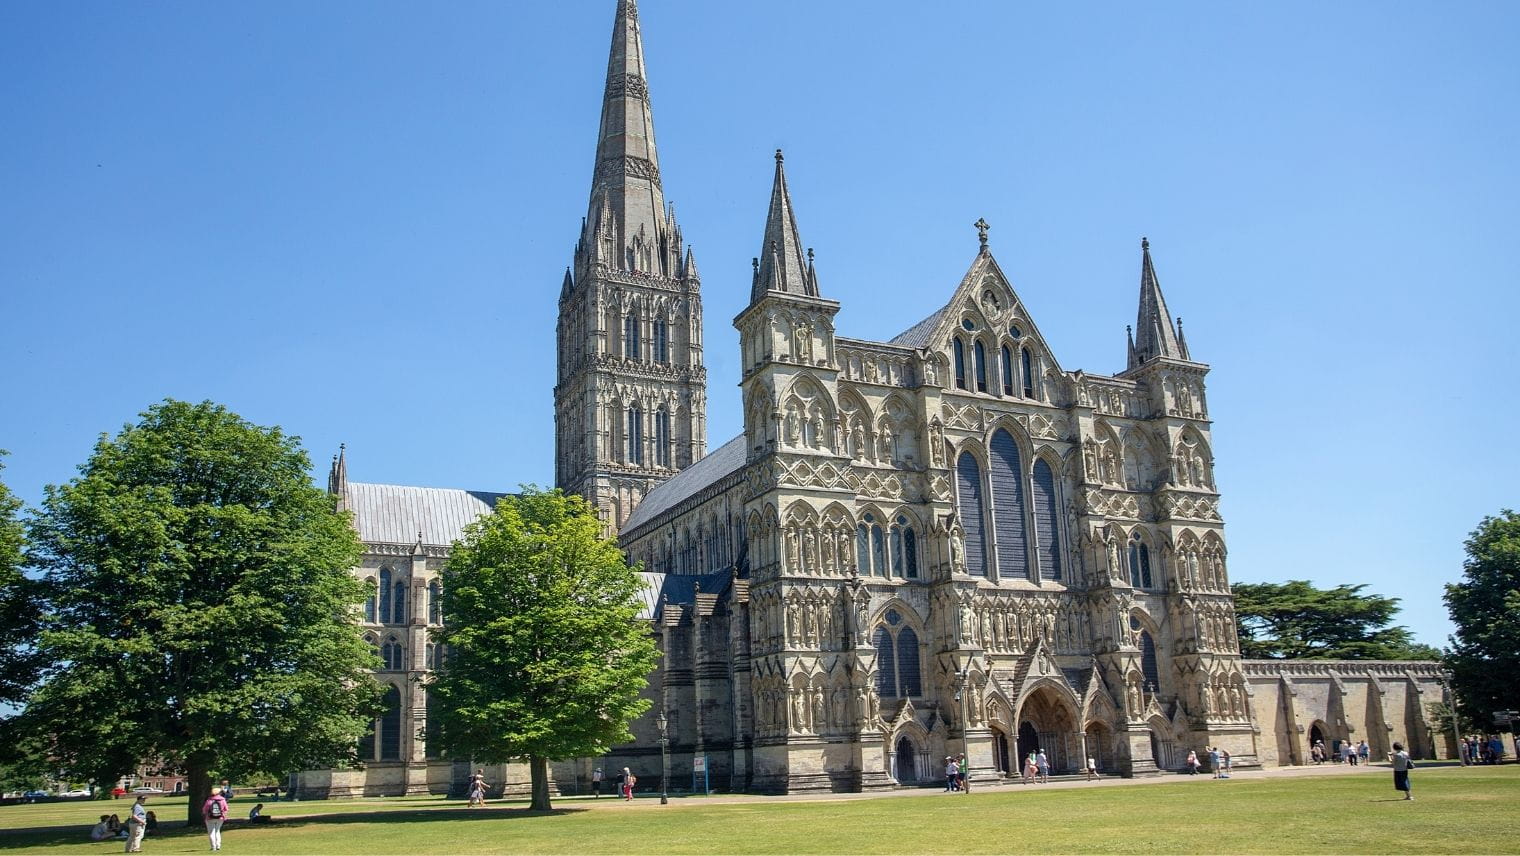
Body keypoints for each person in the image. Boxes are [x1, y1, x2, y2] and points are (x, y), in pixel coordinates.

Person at [203, 785, 229, 852]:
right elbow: (226, 809)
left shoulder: (209, 800)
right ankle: (218, 846)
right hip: (220, 817)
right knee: (217, 831)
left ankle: (213, 847)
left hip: (210, 818)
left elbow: (204, 810)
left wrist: (206, 814)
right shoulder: (222, 799)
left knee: (211, 832)